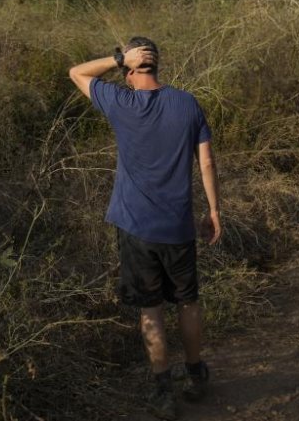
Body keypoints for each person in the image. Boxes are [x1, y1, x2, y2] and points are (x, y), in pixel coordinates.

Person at [69, 37, 221, 420]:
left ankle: (163, 392)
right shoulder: (187, 104)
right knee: (187, 302)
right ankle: (196, 374)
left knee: (150, 309)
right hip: (179, 227)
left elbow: (76, 72)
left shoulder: (121, 103)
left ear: (132, 68)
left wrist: (117, 58)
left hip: (136, 228)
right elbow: (206, 163)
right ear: (158, 65)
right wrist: (214, 211)